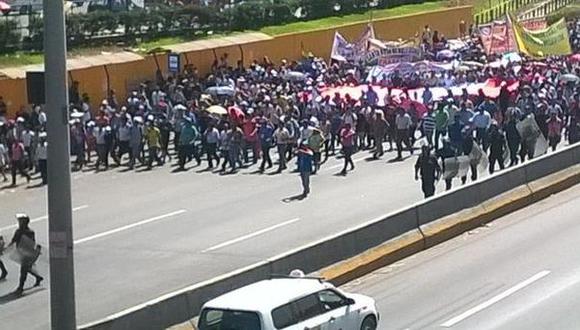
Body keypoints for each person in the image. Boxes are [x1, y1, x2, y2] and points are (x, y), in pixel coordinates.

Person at [9, 214, 43, 294]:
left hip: (27, 254)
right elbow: (13, 241)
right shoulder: (19, 231)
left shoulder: (29, 232)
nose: (19, 223)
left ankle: (20, 287)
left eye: (20, 221)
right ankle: (38, 277)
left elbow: (32, 242)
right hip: (21, 252)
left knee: (23, 270)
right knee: (27, 268)